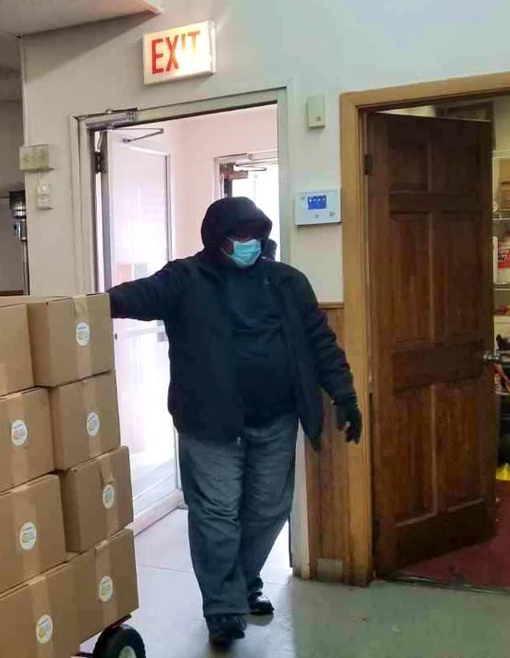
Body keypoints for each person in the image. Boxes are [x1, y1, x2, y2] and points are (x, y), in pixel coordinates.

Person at [107, 197, 361, 647]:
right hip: (210, 423)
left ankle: (241, 584)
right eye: (237, 238)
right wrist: (87, 307)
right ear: (215, 240)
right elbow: (137, 296)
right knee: (217, 515)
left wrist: (344, 393)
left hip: (277, 418)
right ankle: (223, 609)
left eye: (254, 237)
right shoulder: (185, 278)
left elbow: (320, 340)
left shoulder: (287, 282)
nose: (248, 245)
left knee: (269, 509)